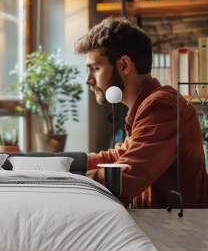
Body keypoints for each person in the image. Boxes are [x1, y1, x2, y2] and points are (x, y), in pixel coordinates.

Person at [74, 17, 208, 208]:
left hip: (178, 234)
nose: (88, 80)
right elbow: (118, 156)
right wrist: (67, 162)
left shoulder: (162, 107)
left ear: (124, 65)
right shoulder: (148, 105)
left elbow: (124, 177)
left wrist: (67, 182)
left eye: (95, 68)